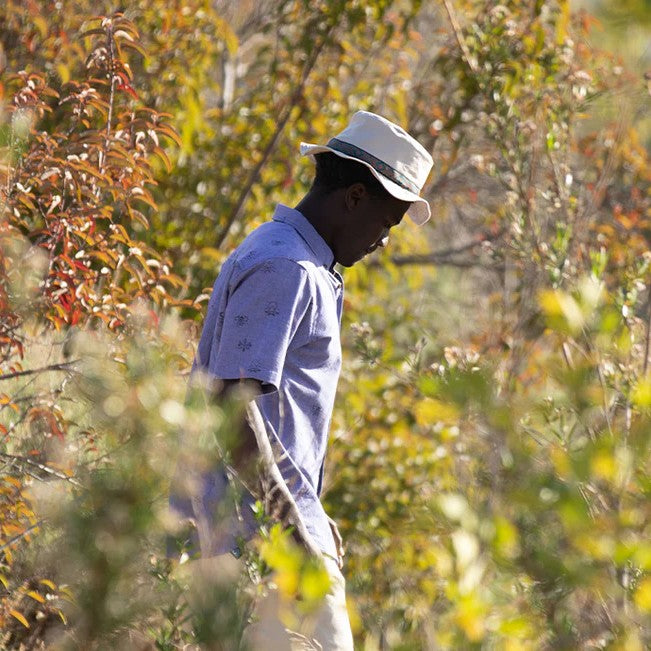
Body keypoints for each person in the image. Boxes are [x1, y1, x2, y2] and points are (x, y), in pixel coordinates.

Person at [169, 110, 433, 650]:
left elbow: (272, 417)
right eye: (388, 223)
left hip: (257, 533)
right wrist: (292, 527)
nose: (383, 241)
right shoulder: (287, 267)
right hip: (254, 544)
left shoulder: (301, 262)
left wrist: (310, 511)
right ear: (356, 197)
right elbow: (229, 402)